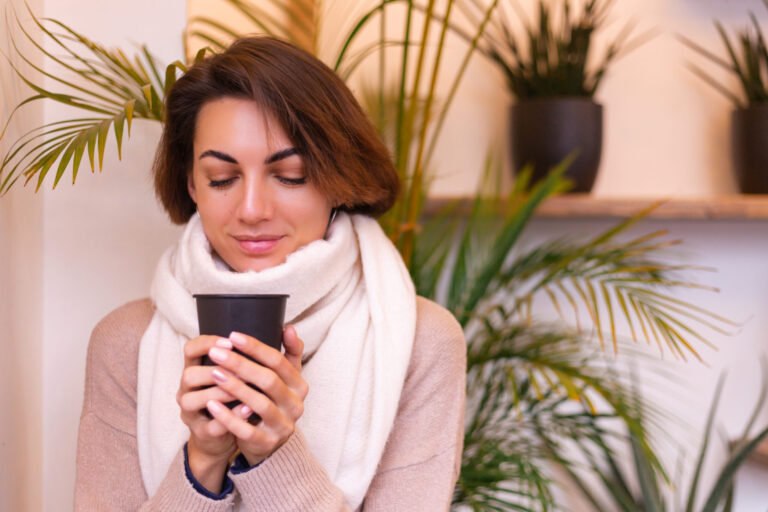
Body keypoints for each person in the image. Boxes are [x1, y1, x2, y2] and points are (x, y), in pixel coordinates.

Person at [74, 36, 466, 511]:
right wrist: (203, 462)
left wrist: (274, 454)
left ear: (338, 180)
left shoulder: (418, 342)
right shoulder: (126, 344)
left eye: (291, 175)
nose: (253, 209)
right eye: (222, 178)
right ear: (191, 183)